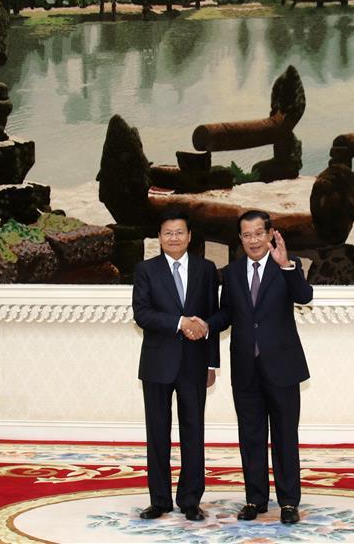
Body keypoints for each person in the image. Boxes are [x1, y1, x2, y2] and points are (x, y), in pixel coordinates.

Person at [205, 209, 313, 525]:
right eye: (247, 235)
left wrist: (286, 265)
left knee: (284, 436)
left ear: (270, 235)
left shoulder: (287, 265)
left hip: (282, 367)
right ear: (240, 238)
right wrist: (204, 324)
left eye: (258, 233)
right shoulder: (233, 272)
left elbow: (304, 296)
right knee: (250, 436)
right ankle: (255, 499)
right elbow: (227, 314)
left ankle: (289, 502)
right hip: (245, 369)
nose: (253, 240)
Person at [132, 209, 220, 522]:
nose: (174, 238)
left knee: (193, 432)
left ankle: (190, 500)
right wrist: (180, 322)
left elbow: (212, 316)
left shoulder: (206, 269)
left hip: (195, 363)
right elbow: (142, 314)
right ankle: (159, 500)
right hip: (157, 363)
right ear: (159, 237)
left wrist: (212, 363)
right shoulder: (146, 270)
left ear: (189, 236)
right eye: (168, 233)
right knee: (157, 432)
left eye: (179, 232)